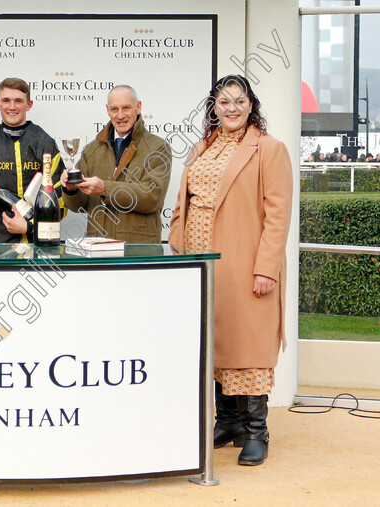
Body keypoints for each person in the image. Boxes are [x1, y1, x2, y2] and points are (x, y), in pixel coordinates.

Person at [169, 75, 292, 467]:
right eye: (224, 102)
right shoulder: (201, 147)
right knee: (214, 342)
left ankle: (257, 432)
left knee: (248, 346)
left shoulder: (269, 150)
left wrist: (266, 268)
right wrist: (177, 242)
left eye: (239, 101)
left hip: (244, 263)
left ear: (251, 106)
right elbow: (183, 201)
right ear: (214, 108)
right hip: (202, 263)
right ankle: (229, 422)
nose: (232, 108)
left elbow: (278, 216)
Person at [61, 85, 171, 243]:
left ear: (138, 107)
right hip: (97, 248)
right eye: (114, 109)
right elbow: (79, 206)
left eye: (126, 108)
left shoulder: (158, 147)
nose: (120, 115)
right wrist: (71, 190)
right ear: (107, 110)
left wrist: (105, 189)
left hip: (139, 249)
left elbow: (152, 197)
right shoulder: (92, 150)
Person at [0, 78, 64, 243]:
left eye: (18, 101)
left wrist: (30, 226)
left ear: (29, 105)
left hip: (36, 244)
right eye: (6, 100)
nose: (12, 107)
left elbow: (59, 200)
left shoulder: (45, 143)